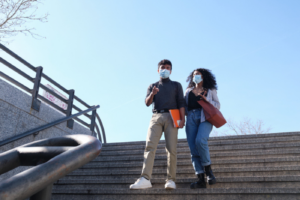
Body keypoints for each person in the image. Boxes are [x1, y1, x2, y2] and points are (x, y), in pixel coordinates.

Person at [130, 59, 186, 190]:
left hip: (172, 116)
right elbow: (147, 102)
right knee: (150, 146)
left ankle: (171, 180)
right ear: (158, 70)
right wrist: (152, 94)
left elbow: (181, 102)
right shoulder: (153, 85)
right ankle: (145, 178)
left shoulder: (176, 85)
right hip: (156, 116)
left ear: (171, 70)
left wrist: (182, 119)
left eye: (167, 67)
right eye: (162, 67)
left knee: (171, 149)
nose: (165, 69)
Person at [184, 68, 220, 189]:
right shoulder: (188, 90)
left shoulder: (210, 90)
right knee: (193, 148)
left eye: (198, 74)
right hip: (191, 118)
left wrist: (207, 100)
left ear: (203, 76)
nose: (196, 76)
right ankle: (200, 178)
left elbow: (218, 105)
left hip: (205, 116)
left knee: (200, 141)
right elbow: (183, 106)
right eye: (194, 75)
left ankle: (208, 171)